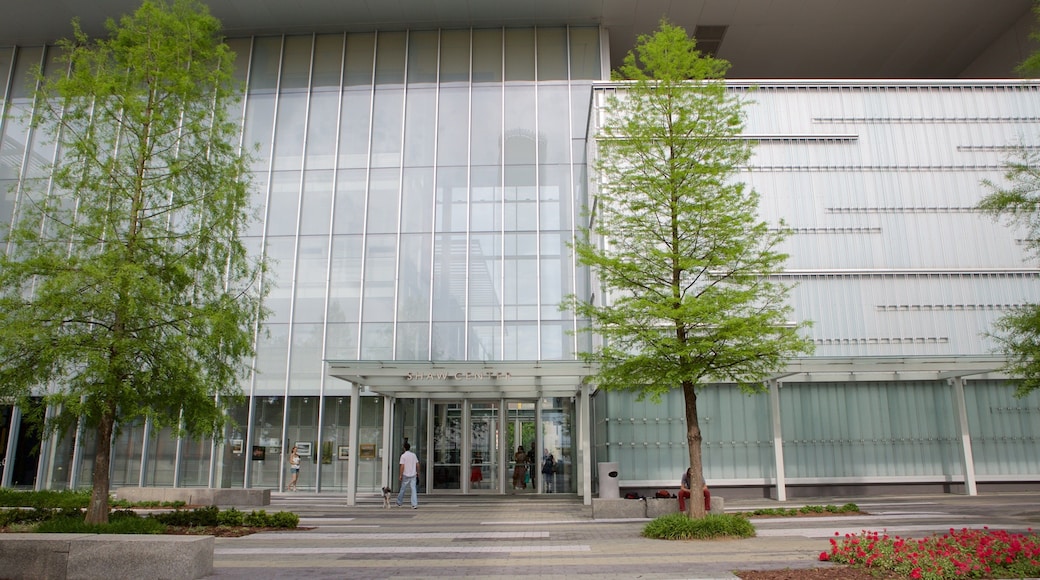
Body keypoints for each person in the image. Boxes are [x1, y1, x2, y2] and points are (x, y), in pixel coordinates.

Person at [397, 442, 420, 509]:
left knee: (403, 489)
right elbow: (417, 464)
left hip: (405, 474)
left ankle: (399, 502)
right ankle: (414, 504)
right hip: (413, 474)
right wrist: (418, 472)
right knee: (413, 489)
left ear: (404, 448)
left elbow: (402, 466)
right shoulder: (413, 455)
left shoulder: (403, 456)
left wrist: (400, 475)